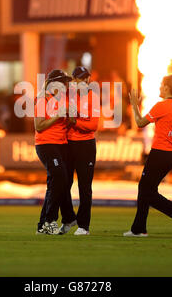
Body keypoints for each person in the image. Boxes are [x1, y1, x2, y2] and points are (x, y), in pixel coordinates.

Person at [124, 74, 172, 237]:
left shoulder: (161, 106)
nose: (160, 87)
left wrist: (134, 105)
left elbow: (140, 123)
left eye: (162, 85)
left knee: (146, 191)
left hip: (159, 153)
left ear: (168, 88)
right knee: (148, 189)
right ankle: (139, 228)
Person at [34, 69, 76, 235]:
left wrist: (71, 117)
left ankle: (53, 221)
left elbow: (69, 124)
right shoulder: (43, 100)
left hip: (62, 144)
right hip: (46, 144)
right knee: (59, 178)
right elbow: (39, 126)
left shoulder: (64, 100)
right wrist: (58, 116)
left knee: (59, 182)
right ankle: (50, 221)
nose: (66, 85)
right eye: (63, 82)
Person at [59, 66, 99, 236]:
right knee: (63, 185)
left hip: (86, 145)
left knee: (85, 187)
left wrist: (75, 122)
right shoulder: (66, 96)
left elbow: (93, 125)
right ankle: (68, 219)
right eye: (81, 79)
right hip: (68, 145)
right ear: (73, 80)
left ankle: (84, 226)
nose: (85, 82)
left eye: (86, 79)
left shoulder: (93, 97)